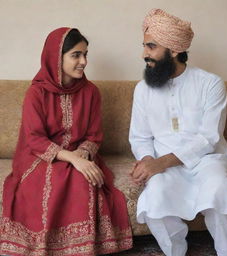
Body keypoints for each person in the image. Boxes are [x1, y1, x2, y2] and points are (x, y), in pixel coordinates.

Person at [0, 27, 132, 256]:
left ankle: (80, 249)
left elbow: (94, 135)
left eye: (85, 54)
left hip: (81, 153)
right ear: (56, 58)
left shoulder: (91, 92)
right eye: (76, 55)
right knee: (49, 181)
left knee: (85, 179)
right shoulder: (37, 93)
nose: (83, 61)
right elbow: (34, 138)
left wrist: (81, 155)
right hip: (40, 156)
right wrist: (72, 159)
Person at [129, 9, 227, 256]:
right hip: (164, 165)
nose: (144, 54)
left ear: (174, 50)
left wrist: (161, 162)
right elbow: (140, 137)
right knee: (156, 197)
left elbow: (209, 138)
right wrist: (149, 160)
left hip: (208, 159)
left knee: (220, 191)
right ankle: (176, 251)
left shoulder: (210, 83)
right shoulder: (143, 89)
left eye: (151, 47)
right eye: (144, 46)